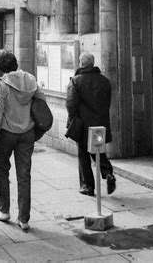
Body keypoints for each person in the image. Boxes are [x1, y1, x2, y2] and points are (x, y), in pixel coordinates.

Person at [0, 50, 46, 232]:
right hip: (27, 133)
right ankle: (24, 219)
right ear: (15, 62)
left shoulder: (2, 85)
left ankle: (4, 210)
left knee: (2, 170)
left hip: (6, 133)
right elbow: (41, 103)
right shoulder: (30, 79)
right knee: (24, 175)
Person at [65, 52, 116, 197]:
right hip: (99, 123)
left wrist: (73, 119)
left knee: (83, 154)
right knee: (98, 151)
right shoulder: (104, 81)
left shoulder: (76, 81)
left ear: (81, 64)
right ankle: (107, 173)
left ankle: (88, 186)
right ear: (92, 64)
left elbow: (71, 104)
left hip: (83, 125)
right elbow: (107, 103)